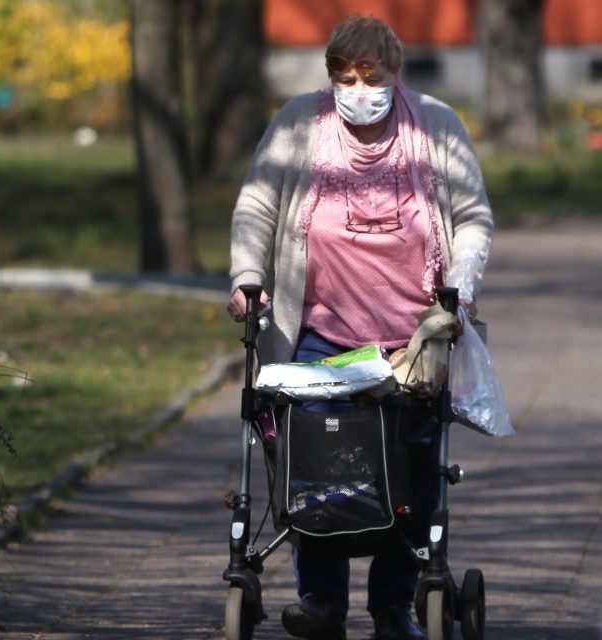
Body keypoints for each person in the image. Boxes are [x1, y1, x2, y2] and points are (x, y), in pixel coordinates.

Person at [226, 14, 493, 640]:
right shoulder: (300, 123)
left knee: (409, 469)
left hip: (411, 339)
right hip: (321, 334)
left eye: (369, 73)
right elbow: (257, 205)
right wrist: (246, 276)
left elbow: (474, 215)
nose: (357, 85)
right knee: (320, 465)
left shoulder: (435, 125)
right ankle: (322, 602)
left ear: (394, 71)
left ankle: (394, 606)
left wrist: (460, 285)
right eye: (344, 74)